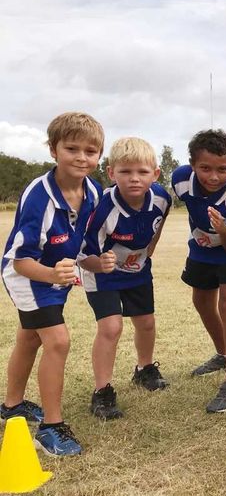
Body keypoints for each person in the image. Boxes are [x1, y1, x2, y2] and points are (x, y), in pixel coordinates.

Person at [0, 112, 103, 456]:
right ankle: (51, 427)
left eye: (90, 151)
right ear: (53, 150)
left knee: (30, 337)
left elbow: (82, 240)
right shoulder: (39, 196)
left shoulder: (92, 191)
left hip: (56, 274)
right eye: (72, 148)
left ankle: (12, 406)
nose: (81, 157)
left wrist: (94, 261)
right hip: (28, 276)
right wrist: (52, 276)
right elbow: (20, 259)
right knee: (57, 340)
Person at [78, 137, 171, 420]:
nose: (134, 178)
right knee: (111, 327)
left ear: (155, 174)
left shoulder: (162, 198)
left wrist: (148, 252)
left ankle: (144, 369)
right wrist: (100, 264)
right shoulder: (101, 207)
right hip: (101, 274)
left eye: (142, 172)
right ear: (111, 173)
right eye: (125, 171)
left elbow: (157, 227)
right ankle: (102, 391)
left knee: (146, 322)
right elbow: (83, 255)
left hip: (137, 271)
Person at [172, 130, 226, 413]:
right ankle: (223, 353)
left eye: (222, 169)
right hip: (202, 245)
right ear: (192, 165)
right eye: (205, 168)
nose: (213, 176)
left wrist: (222, 228)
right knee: (201, 300)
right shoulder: (181, 179)